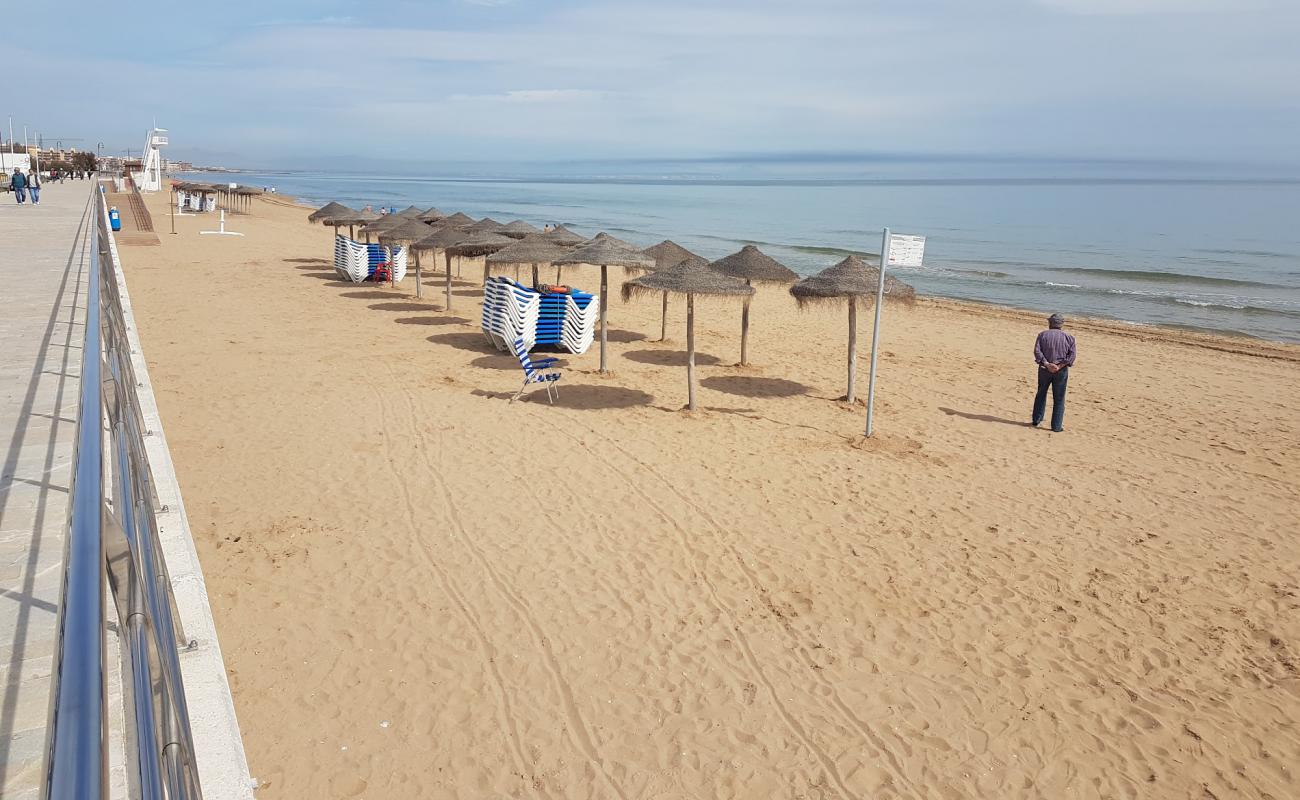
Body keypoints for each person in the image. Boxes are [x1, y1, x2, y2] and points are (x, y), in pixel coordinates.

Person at [1032, 313, 1076, 432]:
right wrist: (1059, 366)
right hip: (1060, 371)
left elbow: (1037, 352)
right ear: (1061, 324)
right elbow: (1071, 356)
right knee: (1059, 398)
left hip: (1045, 369)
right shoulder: (1069, 337)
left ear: (1050, 323)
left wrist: (1047, 364)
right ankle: (1056, 426)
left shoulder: (1042, 335)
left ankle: (1037, 419)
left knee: (1041, 393)